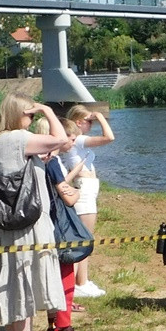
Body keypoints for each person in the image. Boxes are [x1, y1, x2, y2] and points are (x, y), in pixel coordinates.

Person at [0, 94, 68, 331]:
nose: (32, 120)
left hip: (5, 226)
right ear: (16, 114)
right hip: (27, 227)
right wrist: (48, 109)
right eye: (30, 114)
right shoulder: (18, 139)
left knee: (11, 286)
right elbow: (62, 139)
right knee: (23, 287)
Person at [41, 118, 94, 331]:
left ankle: (52, 330)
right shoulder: (52, 163)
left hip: (43, 225)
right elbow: (68, 197)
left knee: (51, 277)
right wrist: (76, 191)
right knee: (64, 275)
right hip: (57, 227)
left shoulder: (37, 160)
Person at [62, 105, 115, 299]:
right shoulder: (80, 139)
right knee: (83, 239)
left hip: (87, 189)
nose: (91, 124)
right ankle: (78, 284)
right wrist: (101, 116)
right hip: (84, 191)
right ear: (78, 122)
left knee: (84, 238)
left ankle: (81, 281)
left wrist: (94, 117)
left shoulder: (77, 141)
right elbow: (109, 137)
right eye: (89, 121)